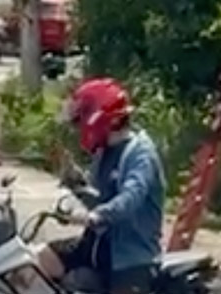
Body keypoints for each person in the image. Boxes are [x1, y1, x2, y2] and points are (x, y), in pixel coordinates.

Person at [37, 78, 166, 294]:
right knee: (40, 260)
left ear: (99, 118)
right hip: (96, 245)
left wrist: (97, 215)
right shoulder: (104, 151)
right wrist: (75, 183)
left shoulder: (140, 153)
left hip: (130, 256)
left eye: (81, 120)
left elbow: (130, 198)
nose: (79, 127)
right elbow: (99, 198)